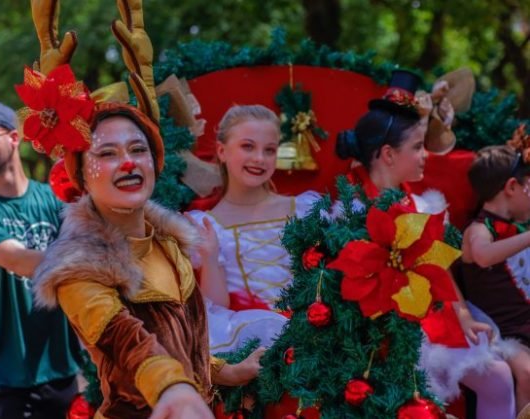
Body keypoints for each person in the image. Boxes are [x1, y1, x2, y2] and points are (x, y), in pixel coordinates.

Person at [30, 89, 265, 417]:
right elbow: (131, 345)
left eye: (138, 149)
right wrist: (175, 389)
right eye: (107, 153)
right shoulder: (78, 268)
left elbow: (184, 346)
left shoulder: (170, 247)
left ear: (154, 162)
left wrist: (225, 372)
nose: (128, 162)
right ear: (82, 175)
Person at [335, 70, 517, 418]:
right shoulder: (350, 212)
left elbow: (437, 271)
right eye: (418, 148)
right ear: (388, 154)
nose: (425, 156)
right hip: (384, 336)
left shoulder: (422, 206)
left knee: (497, 377)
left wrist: (463, 314)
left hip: (431, 322)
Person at [0, 101, 82, 419]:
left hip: (60, 365)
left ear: (13, 137)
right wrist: (92, 258)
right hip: (7, 373)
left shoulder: (52, 199)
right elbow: (24, 261)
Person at [186, 104, 319, 353]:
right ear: (222, 151)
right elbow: (216, 310)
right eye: (248, 147)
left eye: (269, 150)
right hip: (251, 347)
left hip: (313, 339)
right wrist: (210, 258)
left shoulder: (303, 209)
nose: (259, 158)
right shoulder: (209, 225)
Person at [460, 142, 530, 416]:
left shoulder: (515, 229)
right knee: (527, 372)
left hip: (525, 322)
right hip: (504, 333)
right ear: (511, 186)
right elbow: (484, 256)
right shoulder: (478, 230)